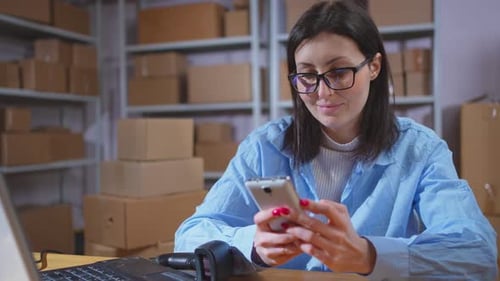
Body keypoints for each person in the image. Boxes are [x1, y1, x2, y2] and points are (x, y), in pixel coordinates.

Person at [174, 1, 497, 280]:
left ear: (373, 66)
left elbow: (477, 254)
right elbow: (189, 236)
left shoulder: (421, 150)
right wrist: (253, 246)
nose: (323, 93)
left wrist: (369, 255)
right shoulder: (264, 146)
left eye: (339, 72)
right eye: (307, 75)